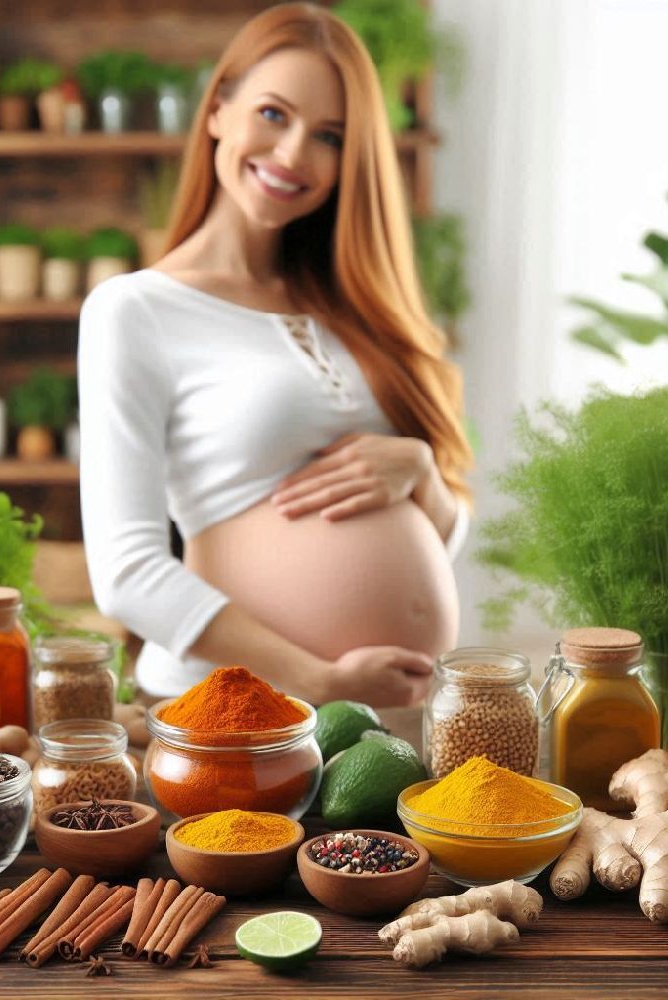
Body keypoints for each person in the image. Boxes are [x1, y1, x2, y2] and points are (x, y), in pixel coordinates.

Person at [78, 2, 472, 708]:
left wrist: (421, 477)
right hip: (235, 712)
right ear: (218, 109)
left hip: (383, 722)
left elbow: (437, 543)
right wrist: (317, 678)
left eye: (328, 136)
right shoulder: (136, 310)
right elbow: (126, 572)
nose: (292, 153)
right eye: (272, 114)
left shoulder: (359, 305)